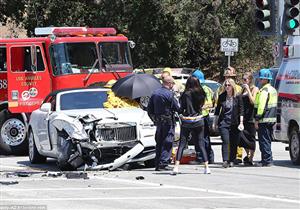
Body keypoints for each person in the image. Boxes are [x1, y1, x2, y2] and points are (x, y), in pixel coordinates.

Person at [173, 76, 210, 174]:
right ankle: (206, 167)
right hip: (199, 120)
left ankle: (176, 166)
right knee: (201, 144)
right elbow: (200, 106)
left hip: (188, 121)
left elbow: (182, 108)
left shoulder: (186, 94)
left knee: (182, 144)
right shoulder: (201, 93)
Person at [147, 75, 180, 171]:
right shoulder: (169, 94)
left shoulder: (155, 93)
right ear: (169, 83)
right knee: (168, 141)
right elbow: (177, 108)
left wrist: (154, 119)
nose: (173, 85)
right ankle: (164, 163)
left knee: (159, 142)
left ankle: (157, 163)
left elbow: (149, 109)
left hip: (158, 122)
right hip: (168, 121)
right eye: (172, 83)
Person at [214, 66, 244, 164]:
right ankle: (225, 160)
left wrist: (241, 122)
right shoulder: (222, 96)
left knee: (234, 142)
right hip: (224, 122)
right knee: (226, 141)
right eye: (226, 85)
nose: (227, 86)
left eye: (229, 85)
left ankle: (232, 159)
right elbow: (217, 110)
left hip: (235, 122)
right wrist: (215, 122)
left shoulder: (238, 96)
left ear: (232, 86)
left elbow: (241, 110)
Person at [254, 68, 278, 167]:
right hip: (271, 119)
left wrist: (257, 118)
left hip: (264, 119)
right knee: (267, 140)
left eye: (261, 78)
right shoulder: (273, 90)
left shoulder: (264, 91)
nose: (259, 80)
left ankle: (266, 160)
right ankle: (268, 159)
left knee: (263, 141)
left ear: (265, 79)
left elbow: (261, 106)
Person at [191, 69, 214, 164]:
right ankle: (209, 157)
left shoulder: (201, 90)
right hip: (205, 116)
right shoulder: (208, 89)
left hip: (200, 116)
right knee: (205, 138)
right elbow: (211, 104)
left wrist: (198, 108)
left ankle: (201, 158)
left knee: (199, 138)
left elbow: (209, 104)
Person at [240, 72, 259, 165]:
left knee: (251, 138)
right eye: (243, 79)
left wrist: (248, 90)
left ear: (250, 80)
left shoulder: (254, 89)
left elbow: (253, 102)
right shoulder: (242, 90)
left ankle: (251, 158)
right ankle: (247, 155)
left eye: (245, 79)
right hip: (243, 117)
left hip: (251, 116)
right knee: (243, 138)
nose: (244, 81)